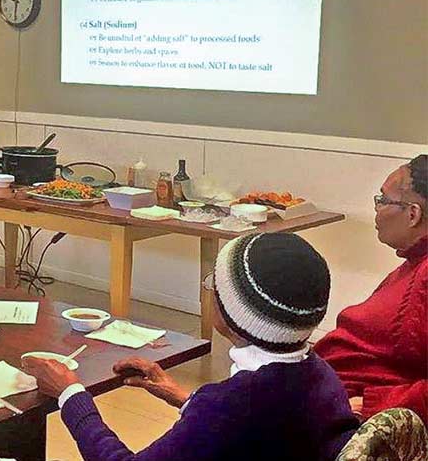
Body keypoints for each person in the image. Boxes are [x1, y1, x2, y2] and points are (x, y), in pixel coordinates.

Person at [23, 233, 359, 461]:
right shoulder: (321, 375)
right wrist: (184, 397)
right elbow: (259, 432)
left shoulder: (230, 406)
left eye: (214, 285)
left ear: (233, 312)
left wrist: (70, 395)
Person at [314, 154, 427, 424]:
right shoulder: (413, 263)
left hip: (347, 417)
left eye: (383, 200)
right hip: (322, 390)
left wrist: (372, 406)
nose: (376, 208)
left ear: (413, 214)